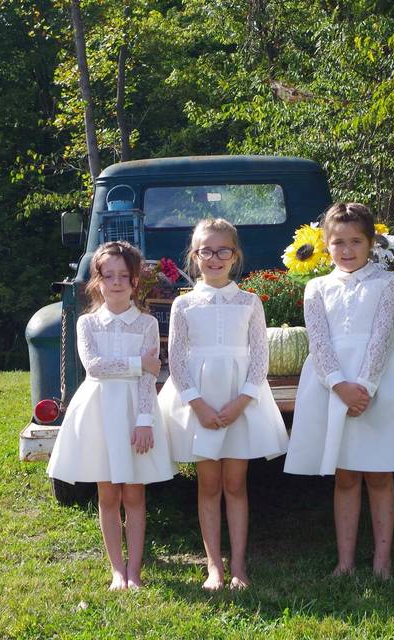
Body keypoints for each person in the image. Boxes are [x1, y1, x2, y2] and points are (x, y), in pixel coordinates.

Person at [283, 202, 394, 579]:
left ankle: (382, 560)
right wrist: (340, 386)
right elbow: (318, 343)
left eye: (356, 241)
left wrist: (364, 387)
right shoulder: (316, 288)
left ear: (371, 242)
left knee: (379, 473)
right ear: (325, 245)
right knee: (346, 474)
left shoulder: (387, 284)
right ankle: (345, 560)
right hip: (332, 384)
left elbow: (383, 337)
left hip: (378, 382)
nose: (348, 250)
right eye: (338, 242)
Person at [158, 218, 288, 591]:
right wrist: (197, 405)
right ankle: (213, 566)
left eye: (223, 250)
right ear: (195, 256)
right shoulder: (184, 304)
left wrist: (241, 403)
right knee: (209, 485)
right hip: (199, 401)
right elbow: (177, 359)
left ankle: (239, 565)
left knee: (235, 484)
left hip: (240, 401)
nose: (214, 258)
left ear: (235, 255)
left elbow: (260, 358)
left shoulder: (249, 301)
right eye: (206, 251)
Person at [47, 241, 176, 591]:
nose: (117, 282)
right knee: (108, 494)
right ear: (97, 282)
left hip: (135, 412)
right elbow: (95, 367)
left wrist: (145, 420)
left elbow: (150, 379)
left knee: (134, 494)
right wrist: (138, 364)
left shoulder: (147, 324)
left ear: (135, 281)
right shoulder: (87, 324)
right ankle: (116, 570)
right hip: (99, 411)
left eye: (124, 275)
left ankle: (135, 570)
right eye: (109, 276)